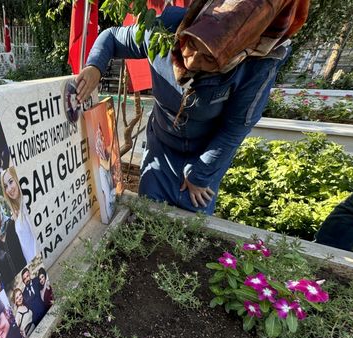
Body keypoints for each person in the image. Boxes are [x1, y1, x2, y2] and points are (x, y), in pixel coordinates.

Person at [75, 0, 310, 215]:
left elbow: (236, 128)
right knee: (146, 216)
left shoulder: (257, 64)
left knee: (191, 226)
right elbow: (113, 37)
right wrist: (95, 66)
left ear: (236, 56)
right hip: (161, 145)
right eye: (192, 44)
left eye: (210, 60)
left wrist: (200, 175)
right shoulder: (166, 29)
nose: (193, 60)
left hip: (204, 153)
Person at [1, 168, 38, 263]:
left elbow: (37, 239)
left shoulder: (26, 204)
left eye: (11, 182)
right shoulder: (19, 210)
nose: (9, 189)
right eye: (5, 186)